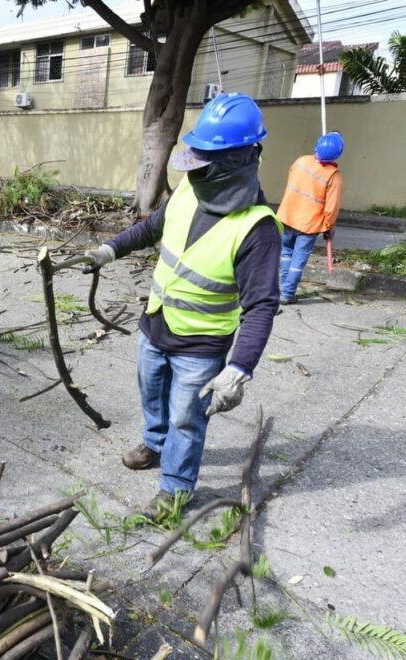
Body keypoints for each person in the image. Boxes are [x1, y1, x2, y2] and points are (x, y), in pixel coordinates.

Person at [83, 93, 281, 520]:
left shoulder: (256, 228)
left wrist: (239, 370)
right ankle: (154, 445)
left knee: (187, 420)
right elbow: (152, 227)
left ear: (235, 161)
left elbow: (262, 306)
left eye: (205, 158)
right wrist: (108, 250)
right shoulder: (188, 192)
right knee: (151, 395)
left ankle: (175, 489)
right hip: (156, 325)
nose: (195, 166)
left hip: (201, 345)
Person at [276, 132, 344, 304]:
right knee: (297, 261)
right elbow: (331, 208)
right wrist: (328, 227)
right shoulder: (333, 177)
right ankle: (287, 294)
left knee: (285, 253)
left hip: (287, 216)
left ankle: (282, 288)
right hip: (308, 225)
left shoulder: (300, 162)